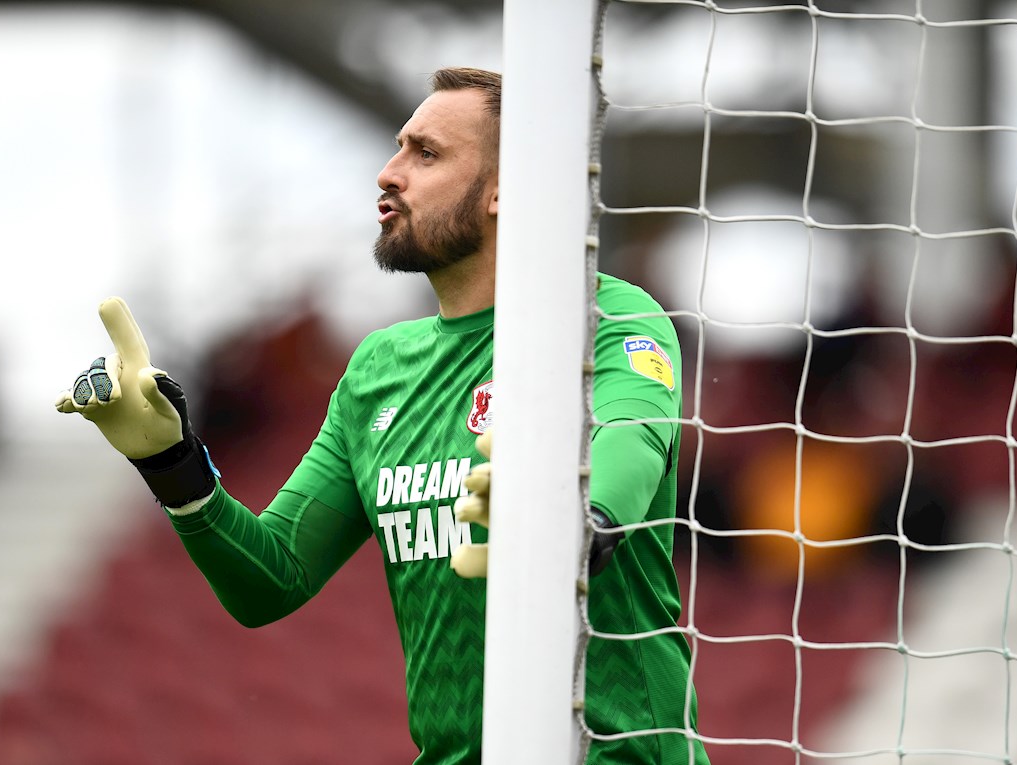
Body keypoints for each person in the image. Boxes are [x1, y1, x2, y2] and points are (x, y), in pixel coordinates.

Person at [57, 67, 709, 765]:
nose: (388, 173)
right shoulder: (377, 368)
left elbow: (631, 439)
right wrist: (170, 462)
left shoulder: (606, 318)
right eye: (399, 147)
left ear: (506, 189)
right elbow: (269, 580)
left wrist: (574, 518)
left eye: (426, 154)